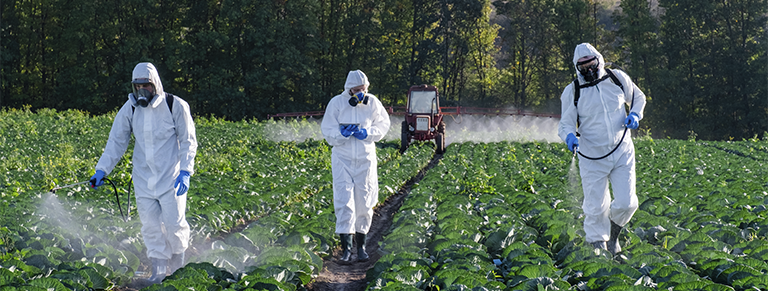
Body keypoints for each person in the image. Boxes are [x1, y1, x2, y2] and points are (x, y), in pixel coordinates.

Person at [89, 62, 198, 283]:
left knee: (175, 223)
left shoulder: (174, 105)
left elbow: (188, 141)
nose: (142, 91)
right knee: (149, 226)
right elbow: (116, 142)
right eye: (137, 86)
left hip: (171, 178)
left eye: (146, 86)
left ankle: (177, 268)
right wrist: (101, 170)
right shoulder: (129, 108)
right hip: (143, 179)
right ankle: (158, 271)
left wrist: (185, 171)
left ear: (155, 84)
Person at [558, 43, 646, 255]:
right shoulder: (573, 91)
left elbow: (638, 98)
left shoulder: (617, 79)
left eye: (591, 64)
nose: (588, 70)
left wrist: (635, 114)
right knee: (595, 206)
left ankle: (614, 236)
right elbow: (566, 124)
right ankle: (598, 246)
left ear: (599, 60)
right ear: (577, 68)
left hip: (622, 150)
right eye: (583, 67)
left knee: (627, 202)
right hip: (592, 157)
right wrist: (569, 136)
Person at [320, 70, 391, 263]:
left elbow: (383, 125)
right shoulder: (336, 103)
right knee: (344, 202)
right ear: (349, 90)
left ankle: (361, 248)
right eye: (358, 90)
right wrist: (342, 133)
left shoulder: (373, 103)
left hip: (365, 159)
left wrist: (366, 133)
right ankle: (346, 249)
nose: (362, 93)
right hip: (342, 159)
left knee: (365, 202)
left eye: (364, 89)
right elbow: (327, 130)